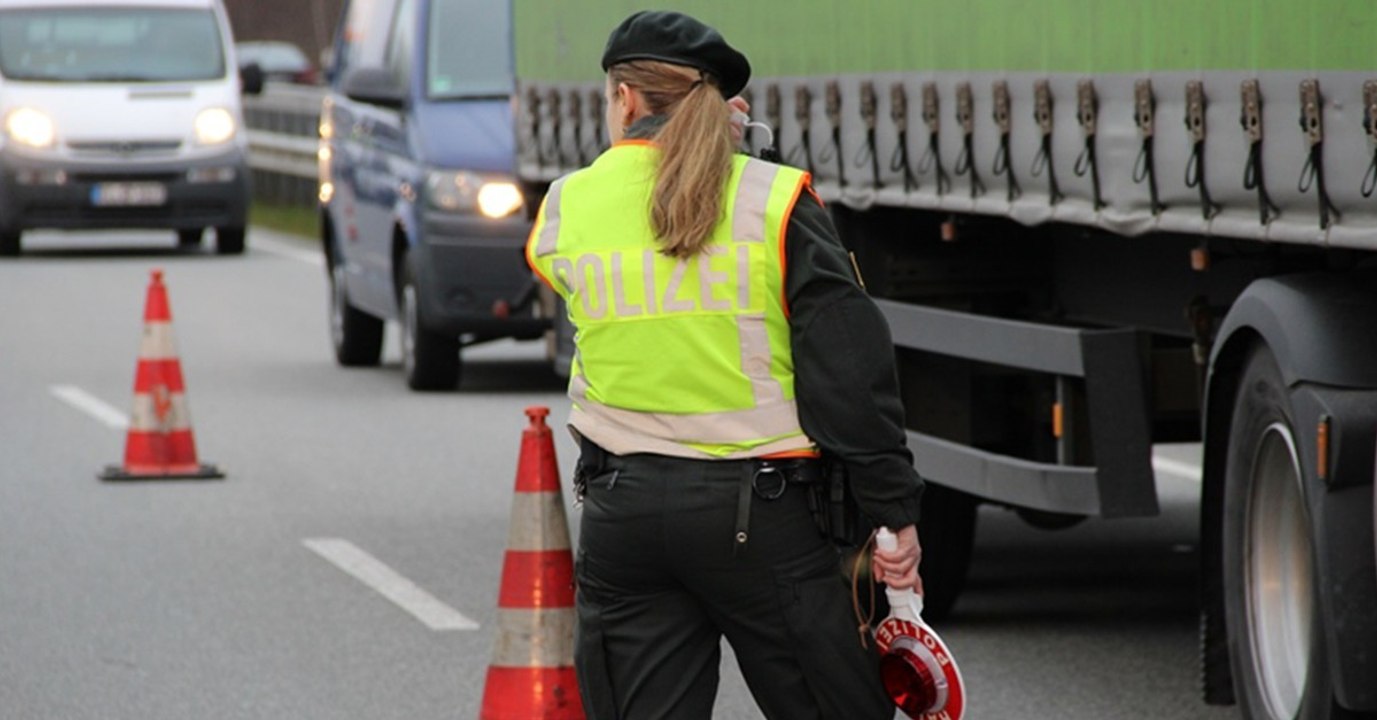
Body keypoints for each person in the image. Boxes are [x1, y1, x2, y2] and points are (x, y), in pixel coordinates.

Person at [524, 10, 925, 719]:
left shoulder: (565, 206)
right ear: (719, 105)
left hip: (624, 515)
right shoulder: (773, 200)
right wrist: (892, 513)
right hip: (760, 520)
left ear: (624, 98)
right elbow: (848, 373)